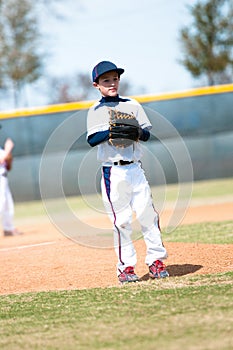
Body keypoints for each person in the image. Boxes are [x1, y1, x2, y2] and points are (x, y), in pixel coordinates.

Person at [86, 61, 169, 283]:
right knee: (121, 221)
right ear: (97, 84)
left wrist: (136, 131)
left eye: (114, 78)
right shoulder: (95, 110)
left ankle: (156, 261)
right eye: (106, 80)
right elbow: (92, 139)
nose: (112, 83)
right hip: (113, 173)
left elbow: (147, 135)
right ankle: (125, 268)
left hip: (135, 168)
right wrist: (111, 130)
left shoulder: (132, 104)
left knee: (148, 215)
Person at [0, 129, 21, 237]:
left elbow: (6, 165)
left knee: (8, 204)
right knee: (1, 203)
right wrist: (8, 149)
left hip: (3, 178)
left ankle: (8, 228)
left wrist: (8, 157)